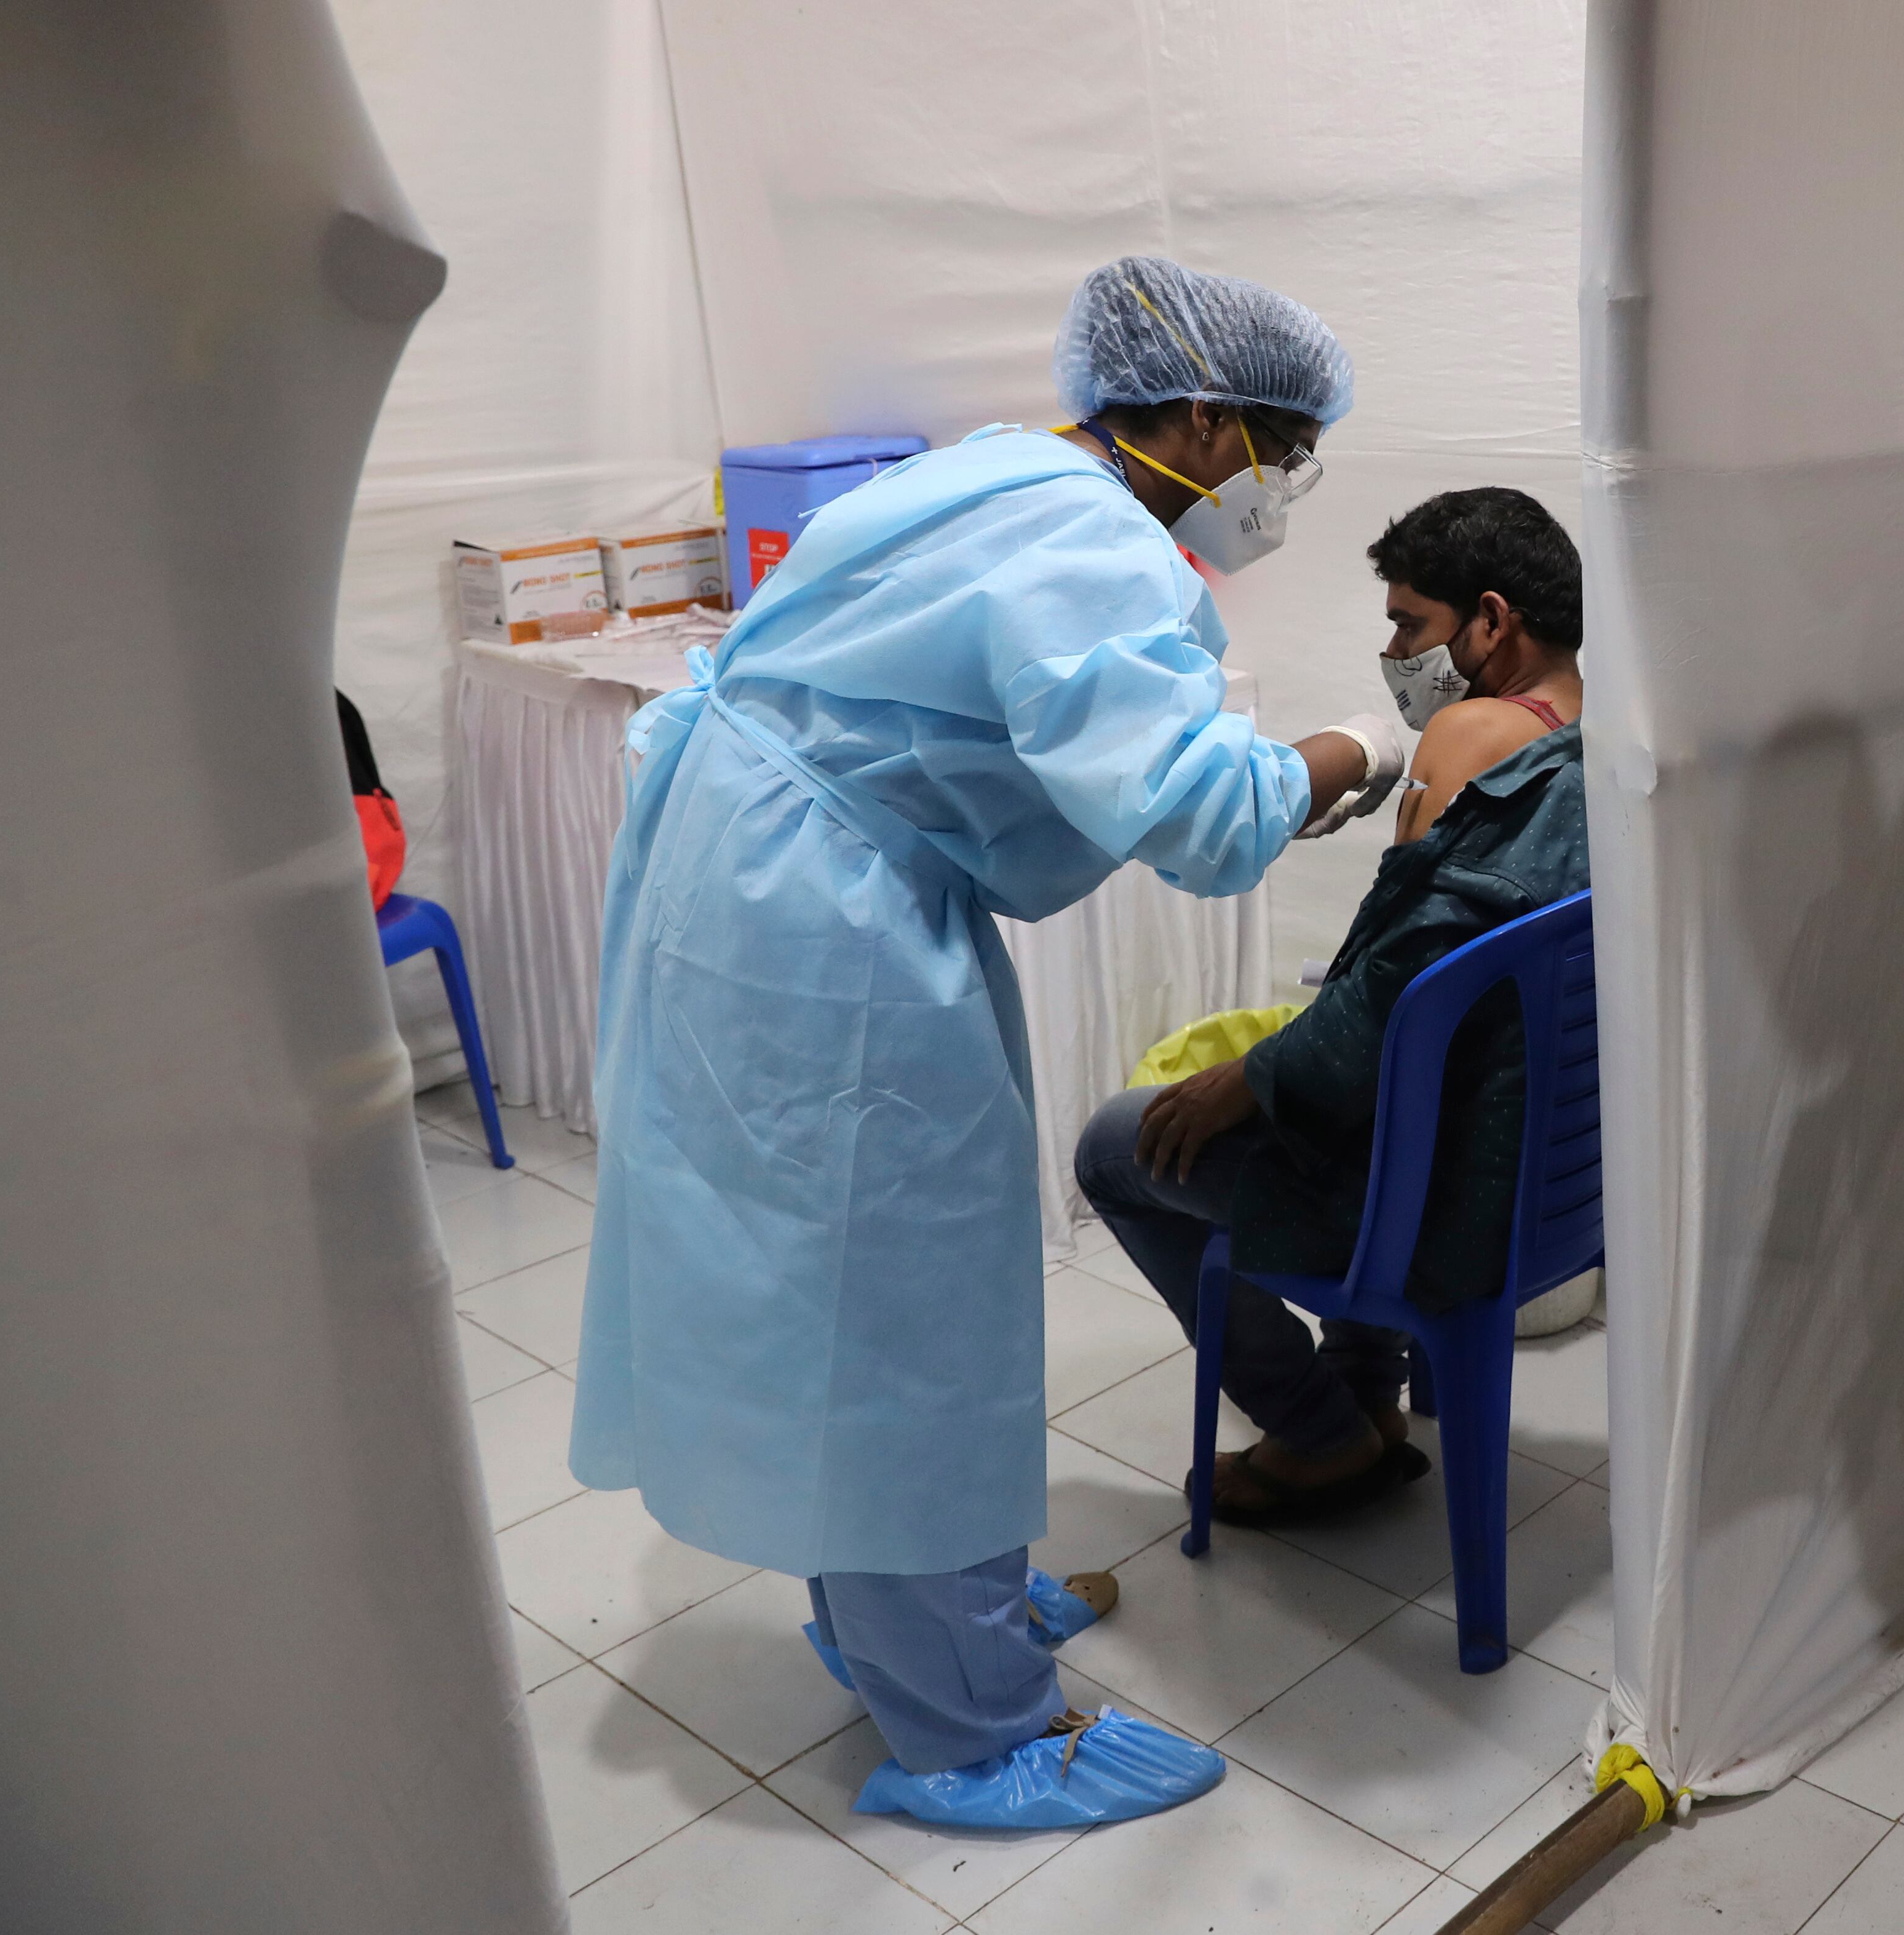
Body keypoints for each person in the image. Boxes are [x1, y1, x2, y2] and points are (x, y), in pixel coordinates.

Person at [569, 256, 1412, 1831]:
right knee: (885, 1306)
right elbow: (1204, 815)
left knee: (851, 1290)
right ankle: (966, 1728)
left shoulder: (986, 473)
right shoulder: (1091, 539)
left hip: (758, 877)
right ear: (1210, 416)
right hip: (819, 930)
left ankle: (933, 1612)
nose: (1280, 494)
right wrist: (1360, 747)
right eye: (1284, 455)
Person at [1075, 487, 1588, 1525]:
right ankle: (1365, 1387)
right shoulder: (1596, 742)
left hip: (1440, 1201)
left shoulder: (1467, 731)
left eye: (1410, 623)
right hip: (1547, 1177)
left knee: (1115, 1147)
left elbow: (1387, 993)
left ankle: (1318, 1431)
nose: (1394, 648)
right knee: (1354, 1073)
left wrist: (1246, 1082)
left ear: (1492, 621)